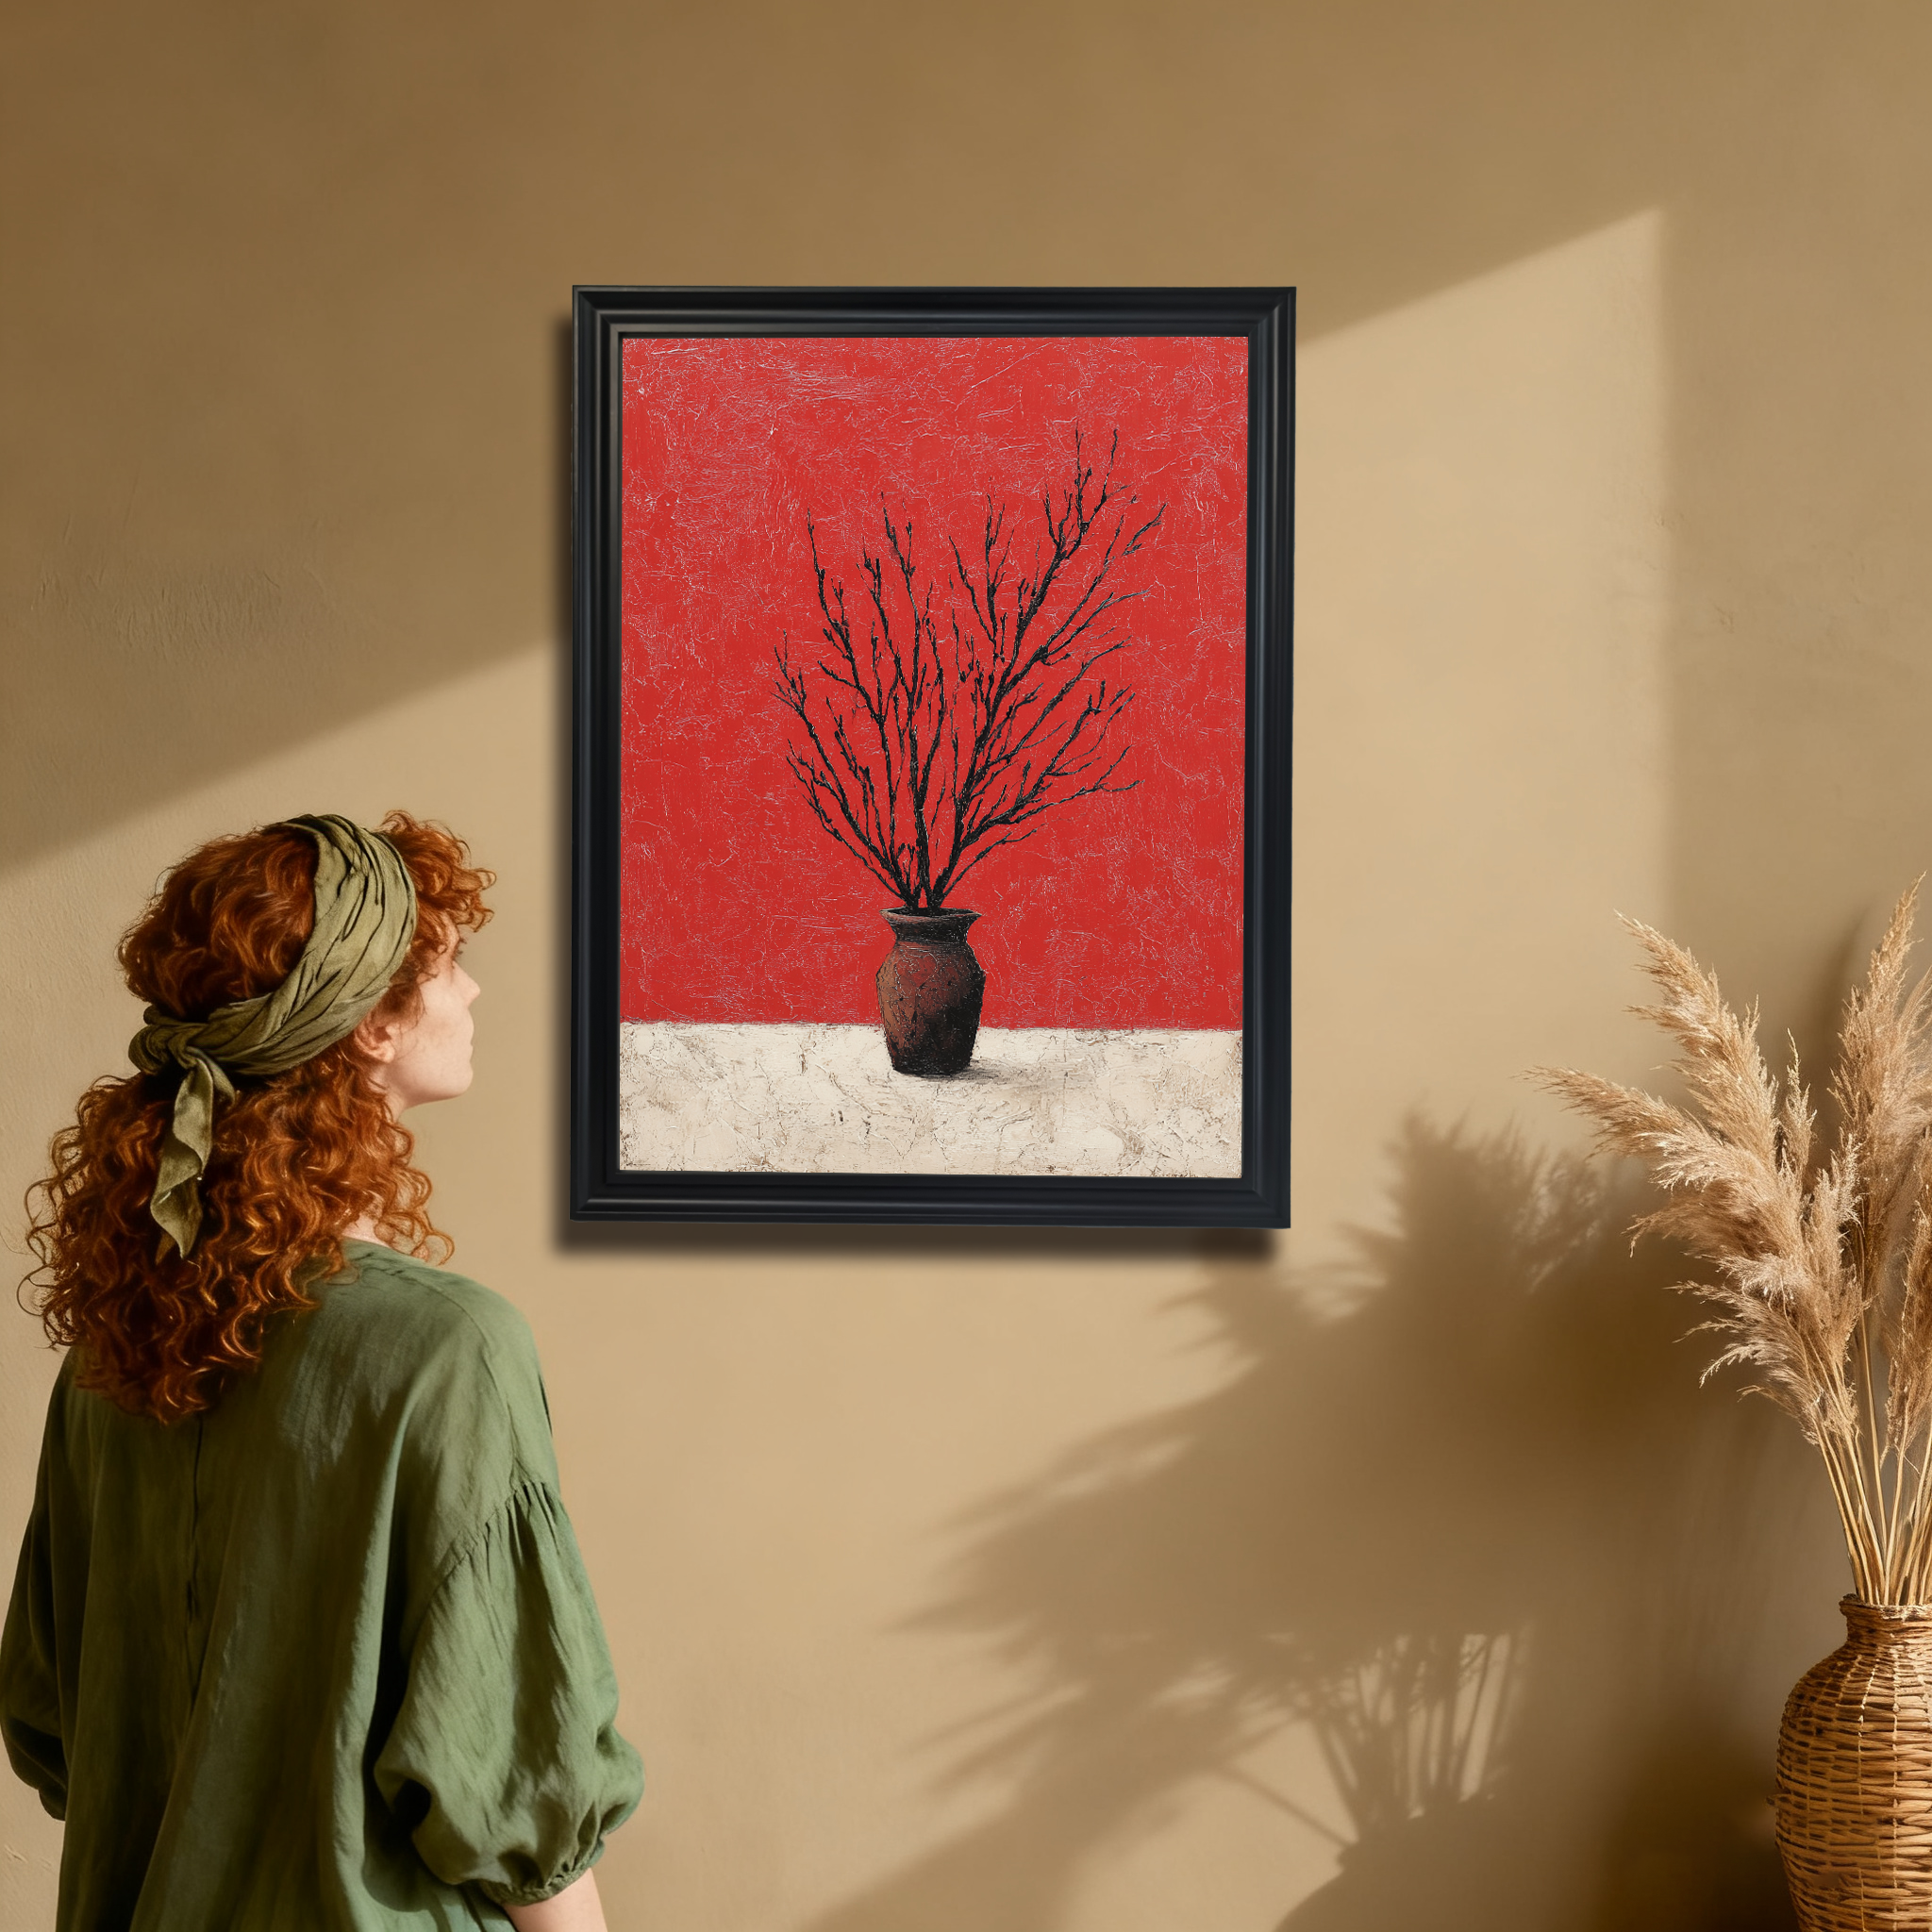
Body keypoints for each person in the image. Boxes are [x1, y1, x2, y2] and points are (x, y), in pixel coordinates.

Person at [1, 812, 641, 1929]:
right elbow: (512, 1785)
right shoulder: (449, 1345)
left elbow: (57, 1723)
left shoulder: (113, 1347)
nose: (474, 995)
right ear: (372, 1029)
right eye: (447, 965)